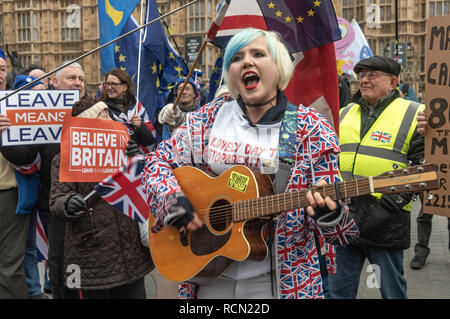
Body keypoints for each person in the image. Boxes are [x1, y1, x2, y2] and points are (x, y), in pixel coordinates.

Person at [142, 28, 359, 299]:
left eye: (258, 54)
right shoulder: (208, 119)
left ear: (278, 67)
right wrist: (171, 199)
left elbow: (342, 233)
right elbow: (156, 162)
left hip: (282, 284)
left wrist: (332, 217)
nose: (246, 62)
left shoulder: (310, 129)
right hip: (207, 276)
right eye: (236, 57)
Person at [329, 56, 425, 299]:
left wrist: (391, 204)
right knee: (338, 291)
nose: (364, 80)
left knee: (389, 291)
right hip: (345, 219)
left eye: (373, 75)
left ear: (393, 83)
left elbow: (421, 167)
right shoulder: (346, 111)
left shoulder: (415, 114)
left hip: (385, 222)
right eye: (361, 75)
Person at [49, 97, 154, 298]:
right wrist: (69, 203)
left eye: (108, 113)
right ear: (85, 123)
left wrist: (137, 158)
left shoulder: (124, 147)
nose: (108, 118)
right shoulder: (65, 157)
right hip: (92, 251)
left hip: (129, 248)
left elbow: (147, 186)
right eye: (101, 114)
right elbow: (57, 199)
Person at [1, 61, 86, 299]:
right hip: (56, 205)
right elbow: (26, 155)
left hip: (91, 205)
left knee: (86, 268)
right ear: (54, 83)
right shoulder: (42, 114)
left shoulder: (98, 111)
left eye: (81, 78)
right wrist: (4, 137)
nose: (77, 83)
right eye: (71, 78)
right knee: (61, 267)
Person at [10, 75, 49, 299]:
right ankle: (31, 290)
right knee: (23, 246)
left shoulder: (46, 120)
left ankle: (37, 289)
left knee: (32, 245)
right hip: (19, 188)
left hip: (37, 188)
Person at [0, 49, 31, 299]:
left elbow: (30, 154)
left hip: (9, 195)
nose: (0, 75)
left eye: (2, 69)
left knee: (11, 266)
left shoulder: (19, 104)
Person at [409, 111, 450, 269]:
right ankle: (421, 251)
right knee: (425, 212)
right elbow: (416, 144)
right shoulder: (430, 112)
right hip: (429, 171)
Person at [100, 68, 155, 156]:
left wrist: (141, 126)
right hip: (113, 159)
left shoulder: (138, 108)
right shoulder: (101, 108)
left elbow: (149, 141)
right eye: (107, 84)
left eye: (114, 84)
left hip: (137, 161)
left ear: (125, 87)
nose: (109, 87)